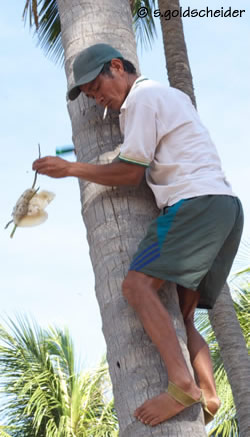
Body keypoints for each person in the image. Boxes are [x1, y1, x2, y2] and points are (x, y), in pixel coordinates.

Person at [32, 43, 243, 427]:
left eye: (97, 86)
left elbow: (130, 172)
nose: (97, 99)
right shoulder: (166, 97)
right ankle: (209, 393)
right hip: (223, 207)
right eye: (90, 96)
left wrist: (71, 169)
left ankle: (183, 385)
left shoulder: (143, 100)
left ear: (118, 66)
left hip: (192, 204)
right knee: (183, 316)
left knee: (135, 287)